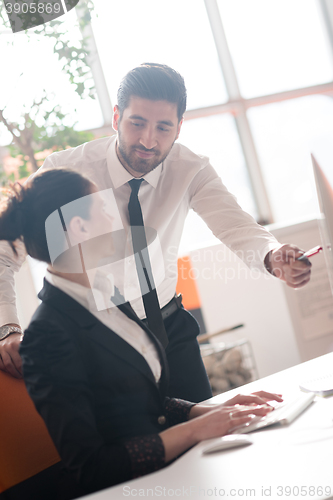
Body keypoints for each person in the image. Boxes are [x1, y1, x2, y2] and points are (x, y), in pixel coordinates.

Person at [0, 63, 311, 402]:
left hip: (167, 326)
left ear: (179, 128)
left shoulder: (191, 169)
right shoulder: (69, 171)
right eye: (137, 123)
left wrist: (271, 255)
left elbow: (236, 225)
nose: (148, 140)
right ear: (117, 117)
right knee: (131, 446)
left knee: (207, 436)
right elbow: (4, 248)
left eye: (163, 127)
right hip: (92, 335)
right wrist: (7, 328)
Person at [0, 168, 283, 497]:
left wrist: (213, 410)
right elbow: (92, 468)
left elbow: (142, 402)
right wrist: (196, 431)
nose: (116, 213)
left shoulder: (108, 294)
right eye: (103, 206)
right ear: (79, 227)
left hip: (176, 473)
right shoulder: (49, 336)